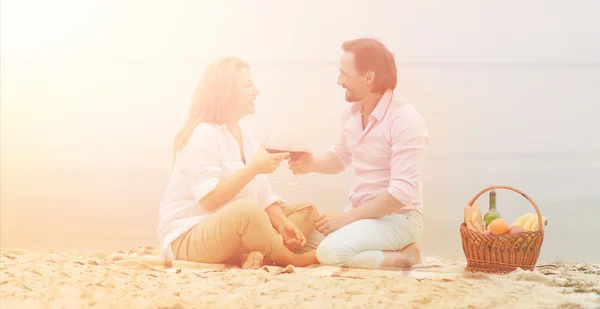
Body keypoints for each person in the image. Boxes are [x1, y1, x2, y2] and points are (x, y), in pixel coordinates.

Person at [157, 57, 319, 269]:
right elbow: (209, 200)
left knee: (306, 211)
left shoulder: (245, 135)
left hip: (230, 230)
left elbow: (262, 192)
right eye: (248, 85)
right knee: (248, 211)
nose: (256, 91)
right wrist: (254, 168)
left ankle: (254, 253)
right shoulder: (203, 133)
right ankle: (290, 258)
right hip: (189, 235)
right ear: (226, 92)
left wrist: (283, 223)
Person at [289, 38, 429, 269]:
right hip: (363, 216)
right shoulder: (352, 113)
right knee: (300, 242)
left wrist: (346, 219)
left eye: (344, 74)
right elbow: (340, 157)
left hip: (399, 218)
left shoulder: (406, 120)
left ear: (369, 77)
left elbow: (400, 195)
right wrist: (312, 163)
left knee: (330, 253)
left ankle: (407, 257)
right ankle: (376, 249)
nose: (339, 81)